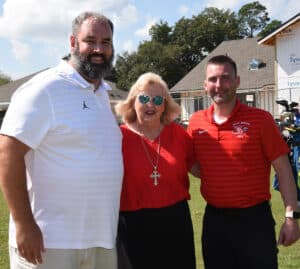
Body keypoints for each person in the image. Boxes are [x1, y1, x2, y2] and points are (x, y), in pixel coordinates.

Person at [0, 11, 123, 269]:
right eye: (90, 40)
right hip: (48, 242)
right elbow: (8, 152)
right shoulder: (44, 89)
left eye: (106, 42)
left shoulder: (102, 94)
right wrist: (23, 224)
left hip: (100, 240)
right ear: (72, 43)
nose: (99, 49)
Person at [187, 54, 300, 269]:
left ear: (237, 81)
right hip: (215, 222)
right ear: (205, 85)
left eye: (225, 78)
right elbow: (190, 163)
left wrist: (291, 217)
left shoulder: (261, 119)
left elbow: (284, 170)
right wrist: (216, 176)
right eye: (213, 79)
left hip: (254, 221)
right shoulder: (196, 122)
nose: (219, 85)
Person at [115, 72, 197, 269]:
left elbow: (200, 168)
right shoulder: (117, 136)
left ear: (165, 106)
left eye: (157, 100)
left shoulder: (178, 134)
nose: (150, 104)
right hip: (132, 225)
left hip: (175, 222)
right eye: (144, 98)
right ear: (133, 101)